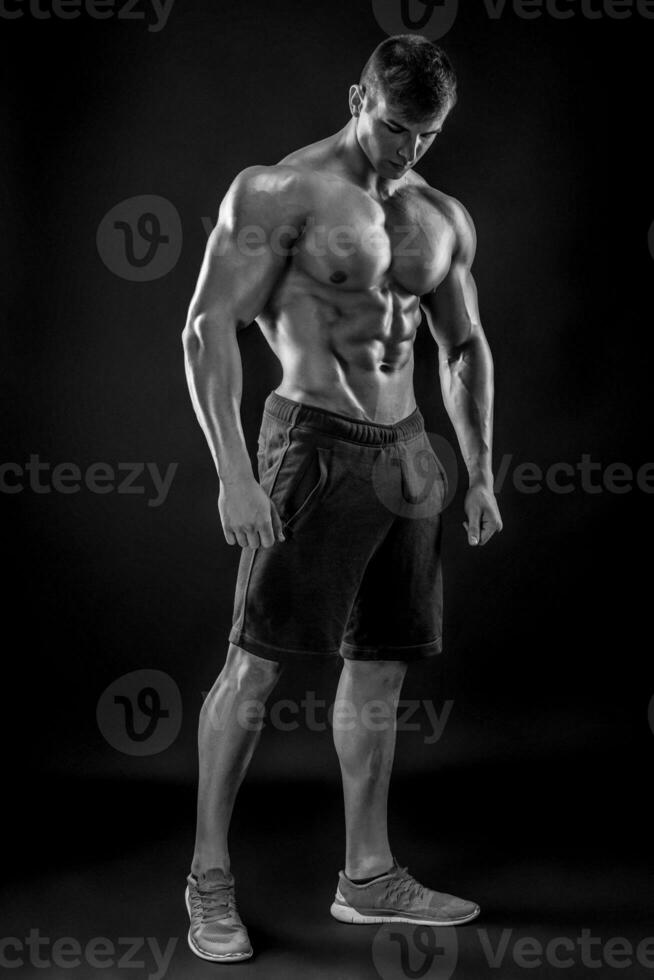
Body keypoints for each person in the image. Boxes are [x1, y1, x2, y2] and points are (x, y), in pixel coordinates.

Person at [182, 33, 503, 963]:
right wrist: (236, 473)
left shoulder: (441, 214)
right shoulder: (277, 193)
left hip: (407, 456)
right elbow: (207, 326)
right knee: (257, 666)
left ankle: (367, 878)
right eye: (397, 126)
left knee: (382, 668)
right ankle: (208, 881)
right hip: (312, 446)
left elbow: (465, 346)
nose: (409, 150)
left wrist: (479, 469)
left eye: (428, 135)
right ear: (356, 95)